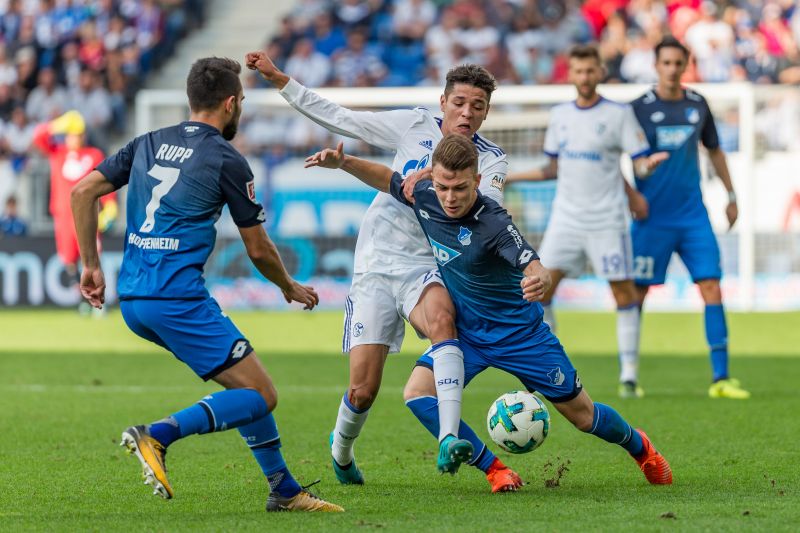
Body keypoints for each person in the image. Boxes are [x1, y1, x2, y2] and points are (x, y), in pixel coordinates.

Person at [306, 135, 673, 487]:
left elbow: (535, 265)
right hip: (468, 333)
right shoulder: (426, 193)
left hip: (521, 337)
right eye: (444, 187)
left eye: (461, 189)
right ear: (434, 177)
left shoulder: (494, 222)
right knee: (417, 394)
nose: (450, 198)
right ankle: (494, 469)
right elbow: (389, 179)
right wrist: (344, 163)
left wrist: (539, 281)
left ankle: (640, 447)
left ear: (478, 181)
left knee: (583, 416)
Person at [70, 57, 343, 512]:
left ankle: (285, 490)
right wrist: (289, 285)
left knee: (244, 388)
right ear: (232, 103)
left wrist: (90, 265)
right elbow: (258, 249)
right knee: (261, 395)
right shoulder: (225, 159)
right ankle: (157, 435)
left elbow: (81, 192)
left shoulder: (147, 142)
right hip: (176, 298)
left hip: (135, 298)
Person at [246, 50, 520, 490]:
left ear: (487, 112)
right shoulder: (414, 125)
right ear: (443, 102)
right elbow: (342, 118)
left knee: (443, 323)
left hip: (427, 264)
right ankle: (342, 451)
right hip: (376, 263)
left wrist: (432, 172)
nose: (467, 113)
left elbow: (487, 207)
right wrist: (280, 79)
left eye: (478, 106)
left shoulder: (492, 160)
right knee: (363, 391)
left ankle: (449, 438)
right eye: (460, 103)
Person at [506, 45, 668, 399]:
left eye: (590, 71)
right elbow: (552, 168)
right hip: (566, 218)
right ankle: (549, 369)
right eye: (578, 71)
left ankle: (628, 375)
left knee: (623, 293)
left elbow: (637, 162)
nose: (584, 77)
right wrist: (511, 177)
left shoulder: (619, 114)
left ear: (600, 72)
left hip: (607, 220)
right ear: (571, 74)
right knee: (539, 289)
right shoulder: (561, 115)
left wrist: (646, 168)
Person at [630, 37, 750, 399]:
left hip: (693, 216)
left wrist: (731, 196)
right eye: (665, 62)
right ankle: (629, 376)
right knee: (637, 292)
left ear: (686, 65)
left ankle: (721, 378)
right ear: (656, 65)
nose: (671, 69)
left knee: (711, 285)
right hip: (652, 217)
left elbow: (715, 152)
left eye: (677, 63)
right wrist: (639, 177)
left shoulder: (698, 104)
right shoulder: (638, 108)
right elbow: (629, 158)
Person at [32, 110, 117, 290]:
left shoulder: (93, 154)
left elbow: (104, 180)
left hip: (87, 213)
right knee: (69, 258)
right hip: (63, 214)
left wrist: (110, 205)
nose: (74, 138)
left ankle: (97, 297)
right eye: (70, 135)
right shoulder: (58, 153)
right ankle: (83, 296)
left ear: (84, 135)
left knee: (92, 256)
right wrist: (56, 125)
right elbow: (38, 137)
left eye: (77, 135)